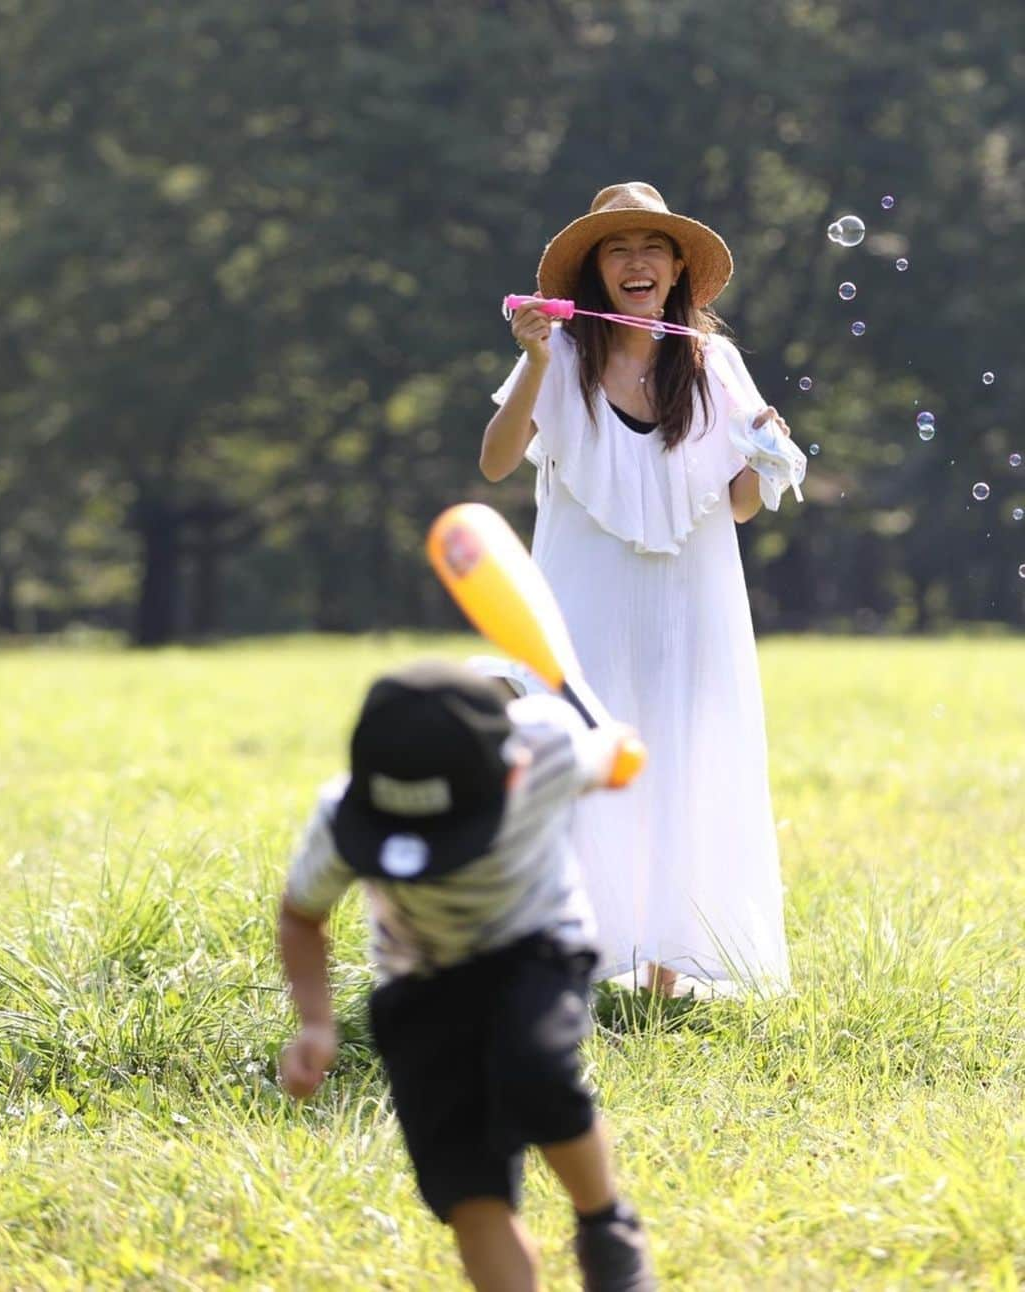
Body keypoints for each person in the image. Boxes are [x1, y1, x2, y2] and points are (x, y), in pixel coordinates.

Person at [481, 181, 792, 997]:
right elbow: (495, 460)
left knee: (683, 753)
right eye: (617, 248)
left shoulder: (713, 362)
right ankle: (565, 959)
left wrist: (765, 455)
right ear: (595, 271)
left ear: (678, 268)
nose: (636, 260)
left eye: (652, 246)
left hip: (691, 596)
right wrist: (537, 360)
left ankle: (667, 968)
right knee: (578, 756)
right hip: (587, 594)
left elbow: (737, 503)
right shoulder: (561, 356)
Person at [278, 659, 656, 1292]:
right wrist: (315, 1021)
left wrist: (618, 754)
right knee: (467, 1189)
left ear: (514, 771)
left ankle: (604, 1223)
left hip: (536, 947)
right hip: (418, 984)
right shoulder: (344, 817)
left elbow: (610, 755)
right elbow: (301, 915)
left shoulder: (549, 747)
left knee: (535, 1071)